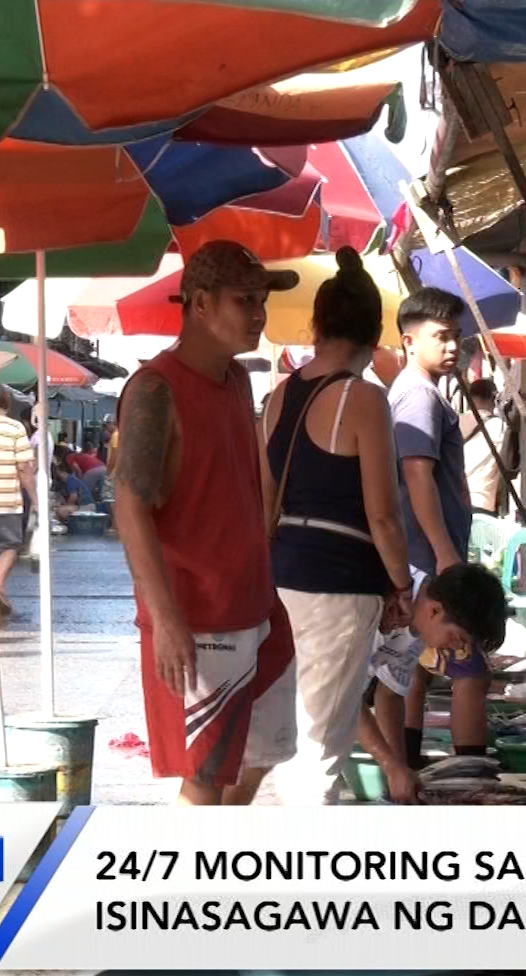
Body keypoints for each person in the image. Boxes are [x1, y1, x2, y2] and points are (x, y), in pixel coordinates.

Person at [113, 239, 301, 806]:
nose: (259, 314)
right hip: (198, 615)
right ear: (199, 304)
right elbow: (129, 506)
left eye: (261, 300)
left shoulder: (239, 379)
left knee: (256, 758)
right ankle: (189, 889)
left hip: (253, 604)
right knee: (205, 773)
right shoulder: (154, 388)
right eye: (245, 300)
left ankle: (210, 873)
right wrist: (167, 620)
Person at [260, 247, 421, 805]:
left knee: (297, 732)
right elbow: (383, 513)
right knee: (320, 747)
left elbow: (264, 503)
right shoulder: (365, 399)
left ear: (318, 324)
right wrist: (401, 586)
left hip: (282, 579)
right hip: (338, 587)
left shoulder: (279, 395)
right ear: (376, 332)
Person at [381, 287, 492, 762]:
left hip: (419, 555)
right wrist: (445, 552)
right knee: (468, 666)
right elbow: (416, 473)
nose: (452, 347)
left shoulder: (418, 393)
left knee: (405, 670)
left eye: (457, 337)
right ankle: (469, 775)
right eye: (441, 337)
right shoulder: (418, 396)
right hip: (426, 558)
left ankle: (404, 766)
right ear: (408, 341)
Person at [370, 562, 509, 766]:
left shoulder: (419, 624)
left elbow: (389, 693)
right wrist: (392, 768)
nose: (455, 648)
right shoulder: (378, 602)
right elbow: (346, 701)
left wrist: (400, 767)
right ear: (435, 610)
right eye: (456, 637)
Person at [0, 383, 36, 621]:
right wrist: (35, 499)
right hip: (5, 497)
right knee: (12, 544)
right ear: (6, 402)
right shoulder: (15, 428)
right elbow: (23, 467)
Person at [460, 377, 506, 516]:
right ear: (494, 398)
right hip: (482, 501)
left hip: (454, 498)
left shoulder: (454, 423)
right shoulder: (500, 427)